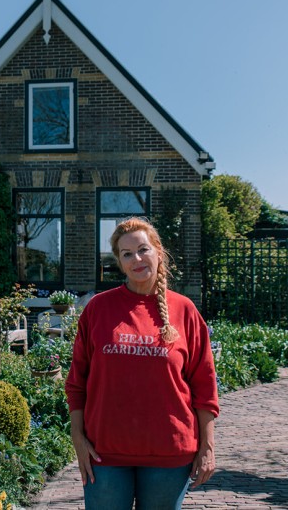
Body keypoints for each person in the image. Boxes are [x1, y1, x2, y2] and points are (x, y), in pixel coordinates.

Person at [65, 217, 219, 510]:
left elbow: (204, 385)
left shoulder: (184, 310)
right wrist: (77, 437)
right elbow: (77, 382)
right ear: (119, 263)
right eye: (126, 254)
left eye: (143, 249)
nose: (136, 259)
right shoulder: (98, 309)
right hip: (104, 453)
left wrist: (207, 447)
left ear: (158, 252)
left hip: (169, 455)